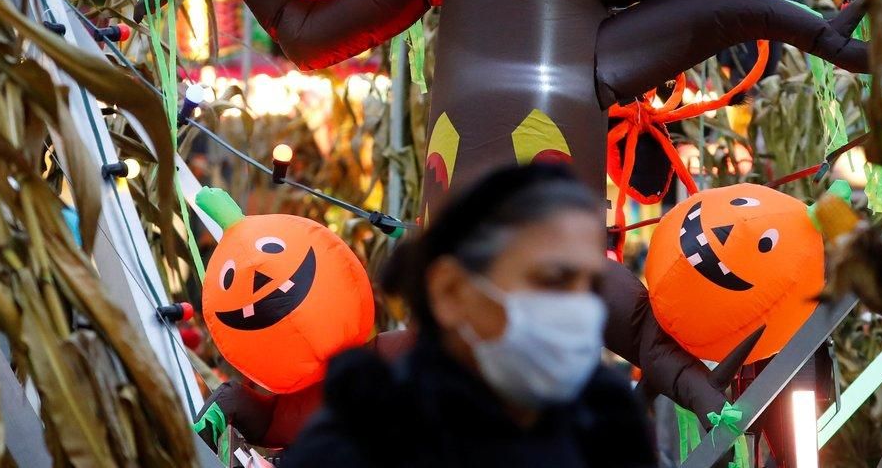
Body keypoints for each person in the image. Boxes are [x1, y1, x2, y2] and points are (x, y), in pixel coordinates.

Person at [279, 163, 656, 468]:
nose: (580, 309)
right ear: (451, 291)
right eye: (553, 280)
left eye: (590, 286)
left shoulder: (607, 426)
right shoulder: (361, 444)